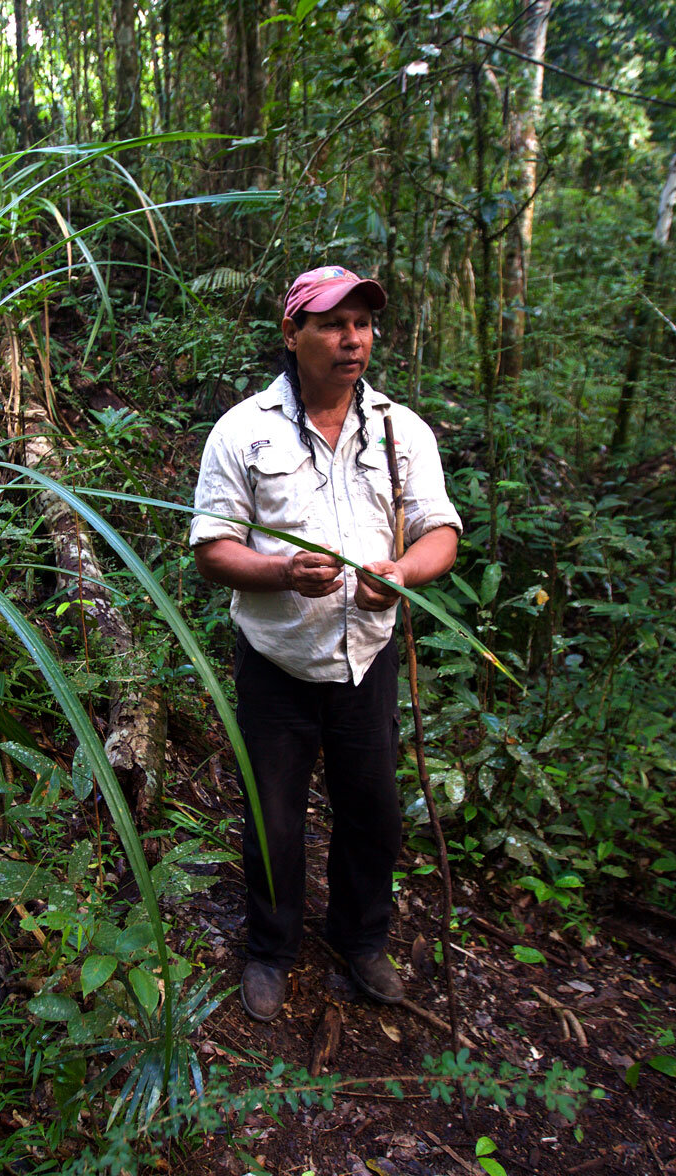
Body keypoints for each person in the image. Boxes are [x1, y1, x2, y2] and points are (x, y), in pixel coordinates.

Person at [189, 265, 462, 1022]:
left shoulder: (401, 430)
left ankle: (361, 940)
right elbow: (212, 549)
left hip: (365, 659)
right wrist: (278, 571)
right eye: (333, 324)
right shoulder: (243, 431)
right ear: (292, 334)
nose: (352, 340)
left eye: (363, 324)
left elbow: (442, 532)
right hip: (276, 663)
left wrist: (401, 572)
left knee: (374, 810)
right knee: (273, 815)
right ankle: (272, 952)